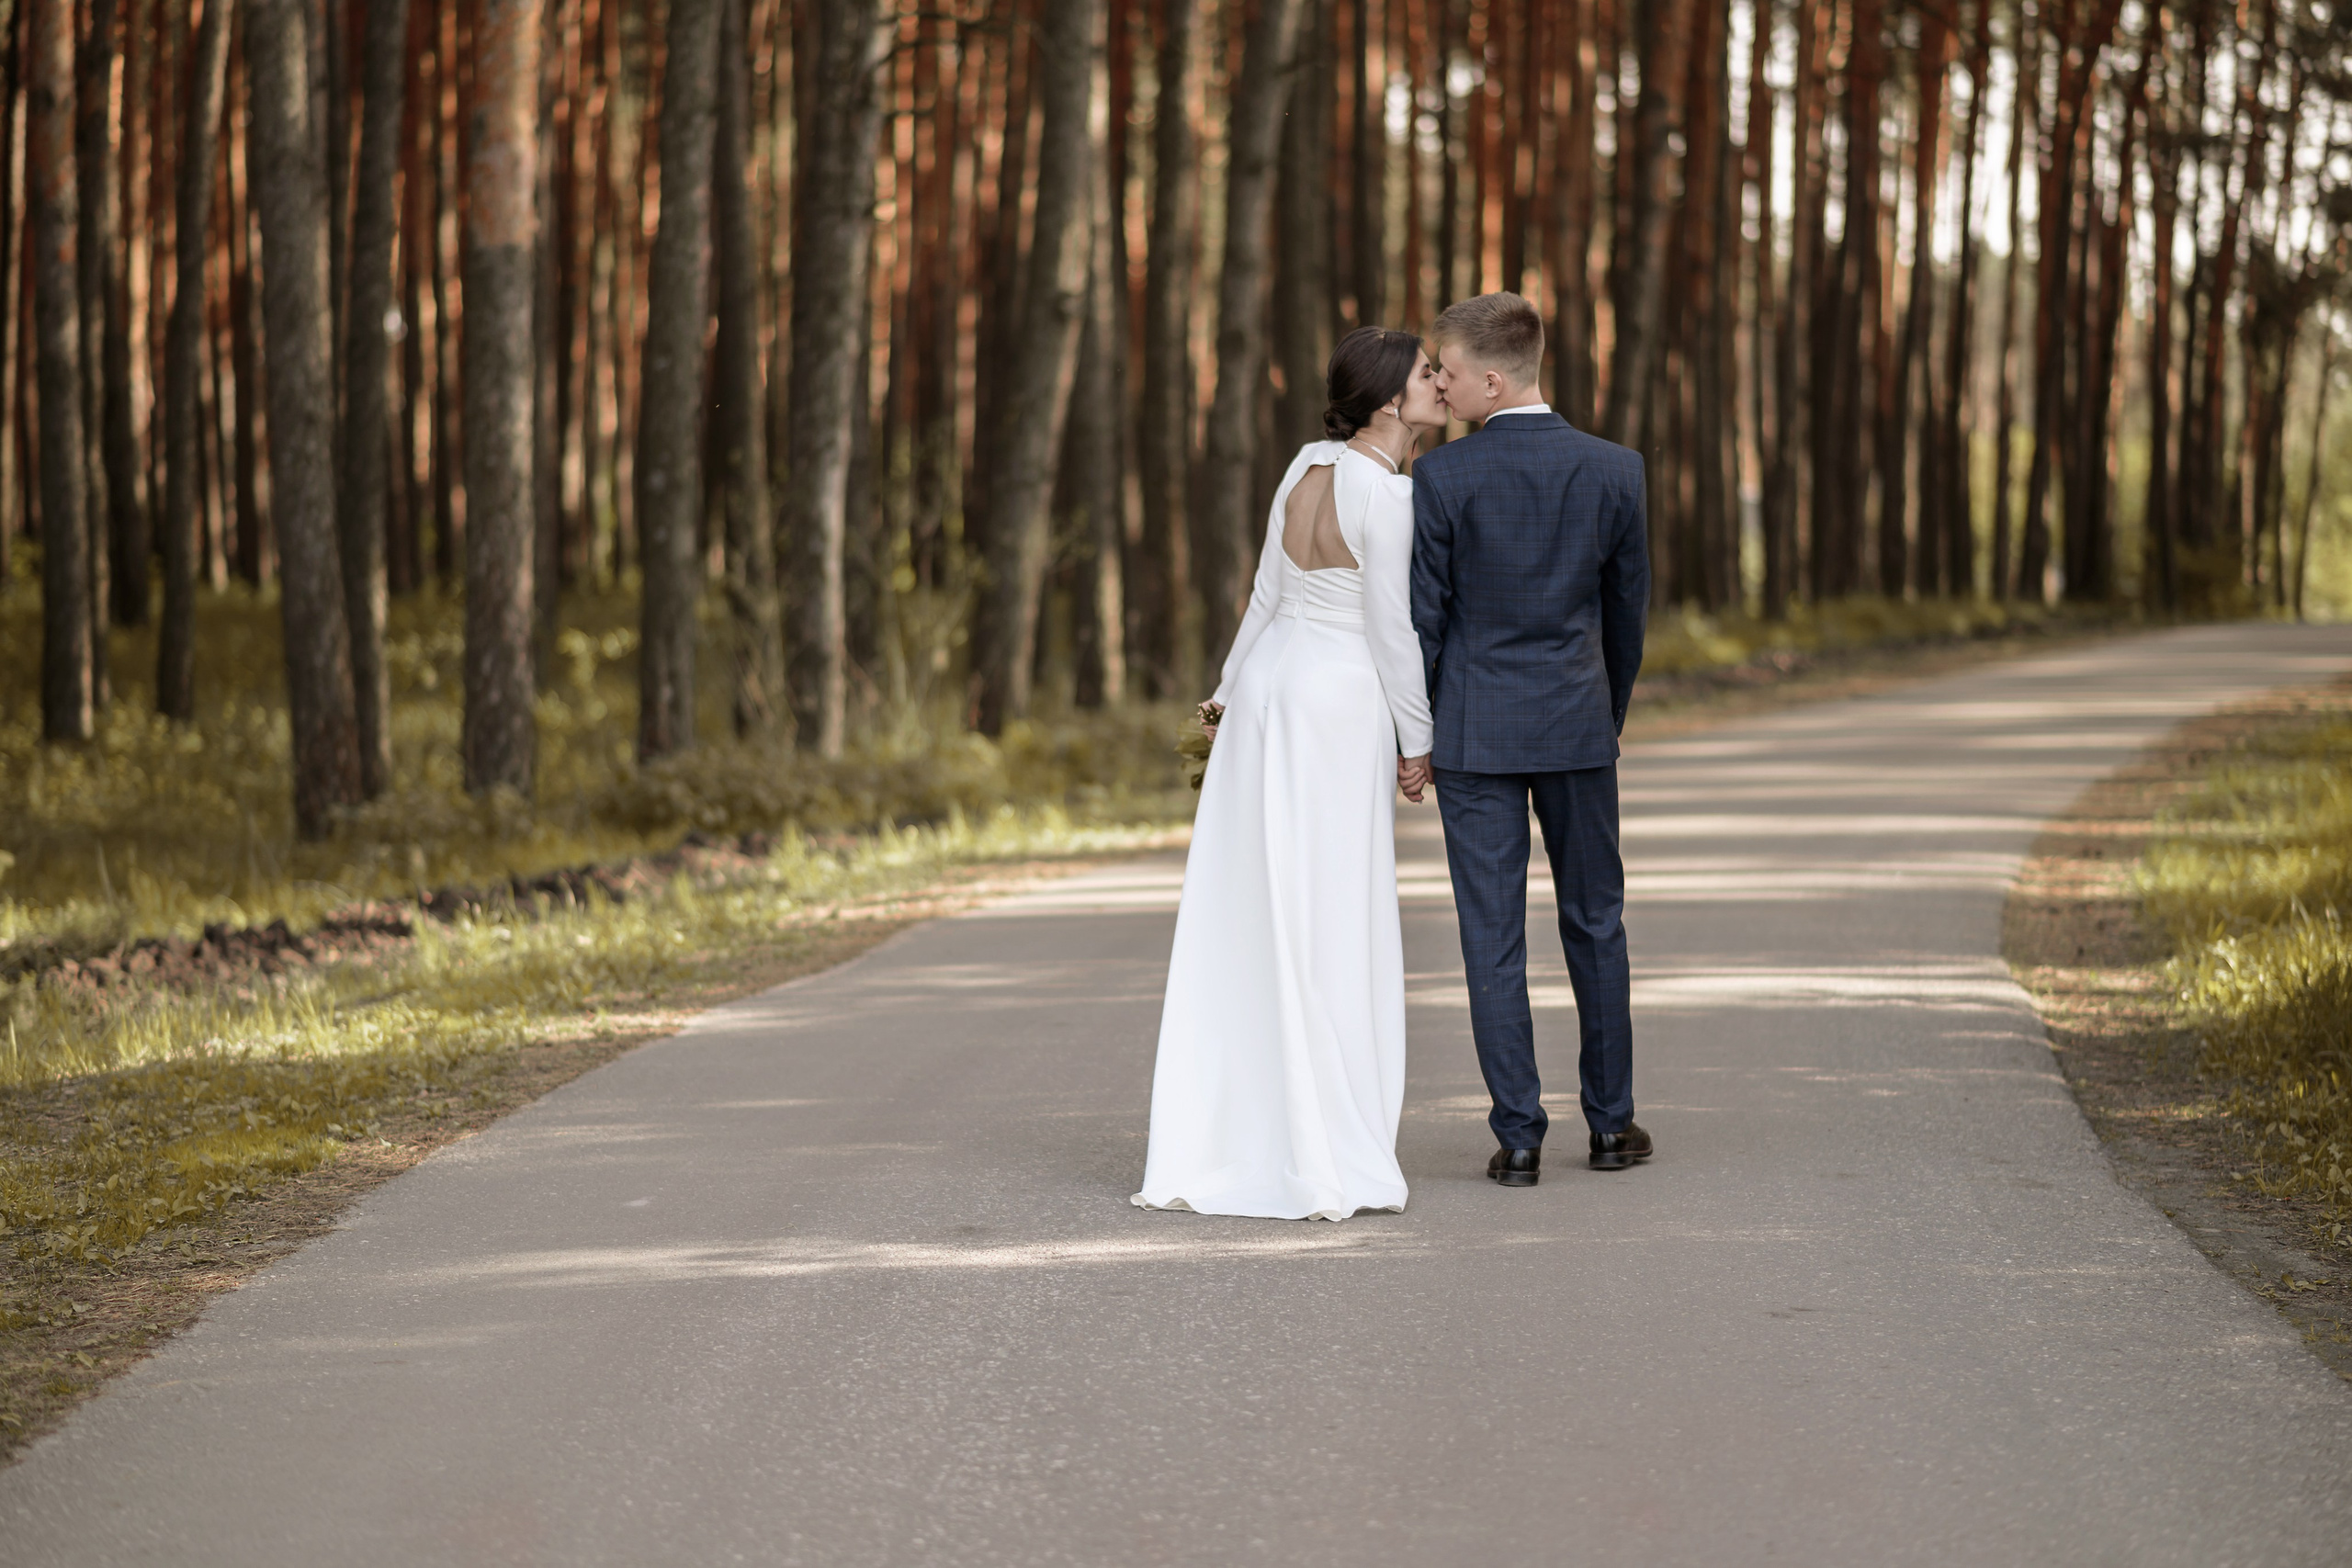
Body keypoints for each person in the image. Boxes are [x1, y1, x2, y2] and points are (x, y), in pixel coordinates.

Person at [1132, 327, 1447, 1221]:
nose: (1438, 384)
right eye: (1427, 374)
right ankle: (1320, 1136)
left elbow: (1266, 596)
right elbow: (1393, 631)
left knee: (1259, 898)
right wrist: (1414, 741)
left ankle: (1243, 1122)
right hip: (1333, 701)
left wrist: (1225, 694)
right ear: (1390, 399)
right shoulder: (1385, 497)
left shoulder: (1303, 468)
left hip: (1268, 687)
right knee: (1328, 905)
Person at [1411, 290, 1653, 1189]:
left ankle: (1517, 1138)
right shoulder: (1614, 470)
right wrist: (1603, 712)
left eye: (1446, 371)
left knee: (1491, 935)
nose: (1437, 384)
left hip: (1474, 733)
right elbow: (1627, 617)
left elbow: (1424, 624)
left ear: (1493, 376)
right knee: (1596, 923)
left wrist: (1422, 729)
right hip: (1576, 723)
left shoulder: (1441, 480)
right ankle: (1610, 1125)